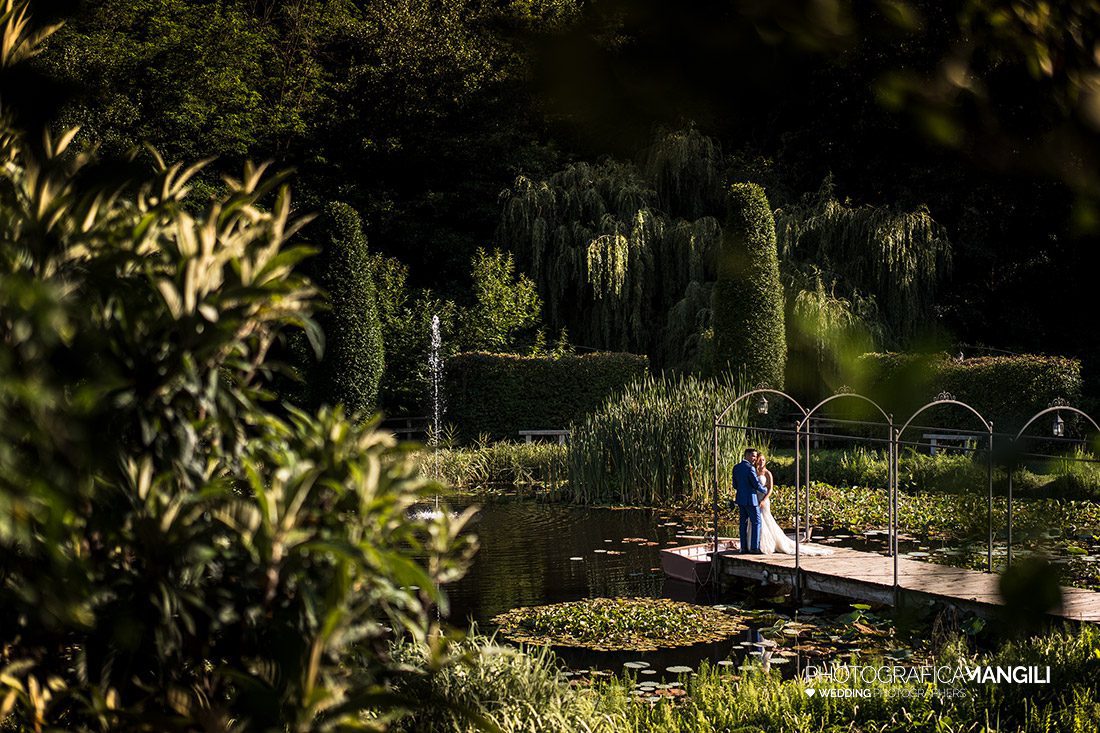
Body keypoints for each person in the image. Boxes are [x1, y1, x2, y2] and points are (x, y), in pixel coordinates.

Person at [754, 452, 832, 556]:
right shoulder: (753, 472)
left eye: (763, 460)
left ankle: (766, 544)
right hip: (755, 499)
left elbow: (770, 489)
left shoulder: (767, 473)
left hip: (763, 499)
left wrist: (764, 500)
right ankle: (756, 543)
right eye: (760, 459)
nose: (761, 462)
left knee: (765, 520)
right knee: (755, 520)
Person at [733, 447, 767, 554]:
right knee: (756, 522)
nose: (755, 458)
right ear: (746, 455)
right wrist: (764, 490)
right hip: (751, 500)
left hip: (740, 500)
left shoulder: (736, 467)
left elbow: (735, 485)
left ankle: (743, 548)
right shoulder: (750, 468)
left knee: (743, 523)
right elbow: (756, 484)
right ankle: (754, 548)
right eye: (753, 455)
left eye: (756, 456)